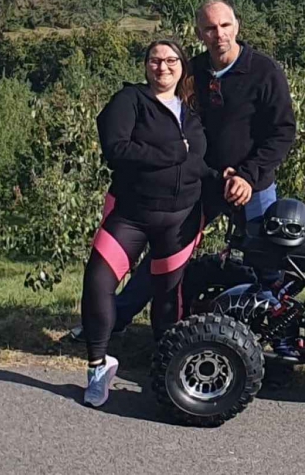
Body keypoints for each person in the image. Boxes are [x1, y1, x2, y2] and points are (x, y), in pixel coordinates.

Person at [78, 0, 298, 341]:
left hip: (252, 185)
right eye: (210, 28)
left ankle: (279, 337)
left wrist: (248, 175)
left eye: (225, 25)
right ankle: (112, 321)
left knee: (268, 262)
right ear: (199, 33)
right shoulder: (190, 72)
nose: (219, 34)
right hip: (200, 183)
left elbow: (283, 132)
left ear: (237, 26)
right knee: (166, 257)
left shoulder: (264, 71)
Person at [82, 39, 211, 408]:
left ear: (182, 67)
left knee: (168, 296)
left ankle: (169, 370)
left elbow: (199, 165)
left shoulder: (191, 114)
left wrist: (230, 178)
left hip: (180, 220)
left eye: (171, 60)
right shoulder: (130, 101)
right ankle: (97, 366)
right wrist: (170, 152)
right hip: (131, 215)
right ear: (145, 65)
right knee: (98, 281)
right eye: (155, 60)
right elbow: (116, 148)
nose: (163, 67)